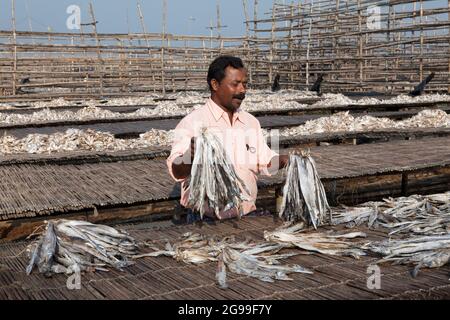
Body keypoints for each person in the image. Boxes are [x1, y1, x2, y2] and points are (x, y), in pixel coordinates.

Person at [166, 55, 289, 220]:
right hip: (205, 220)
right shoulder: (193, 122)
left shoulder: (250, 122)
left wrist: (285, 160)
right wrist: (191, 155)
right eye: (235, 84)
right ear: (215, 84)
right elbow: (177, 171)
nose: (242, 90)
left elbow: (265, 161)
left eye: (245, 84)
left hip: (246, 217)